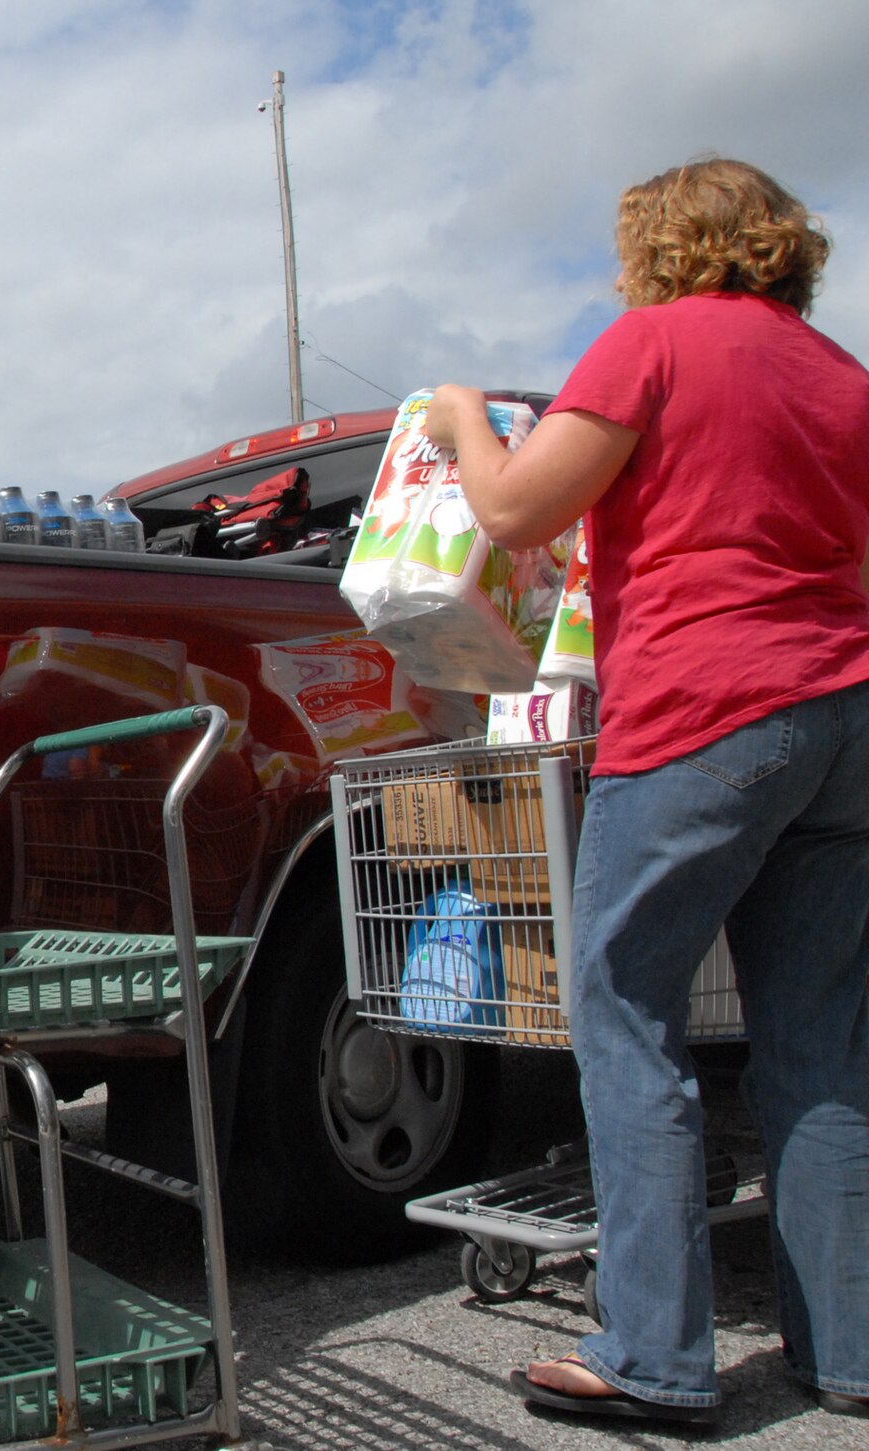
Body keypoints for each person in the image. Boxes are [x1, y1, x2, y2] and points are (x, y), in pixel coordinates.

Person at [425, 157, 869, 1426]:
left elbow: (510, 508)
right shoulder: (838, 377)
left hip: (702, 710)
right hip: (838, 712)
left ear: (661, 247)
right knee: (816, 1038)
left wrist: (465, 415)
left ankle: (654, 1358)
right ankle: (842, 1349)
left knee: (624, 1011)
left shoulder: (651, 343)